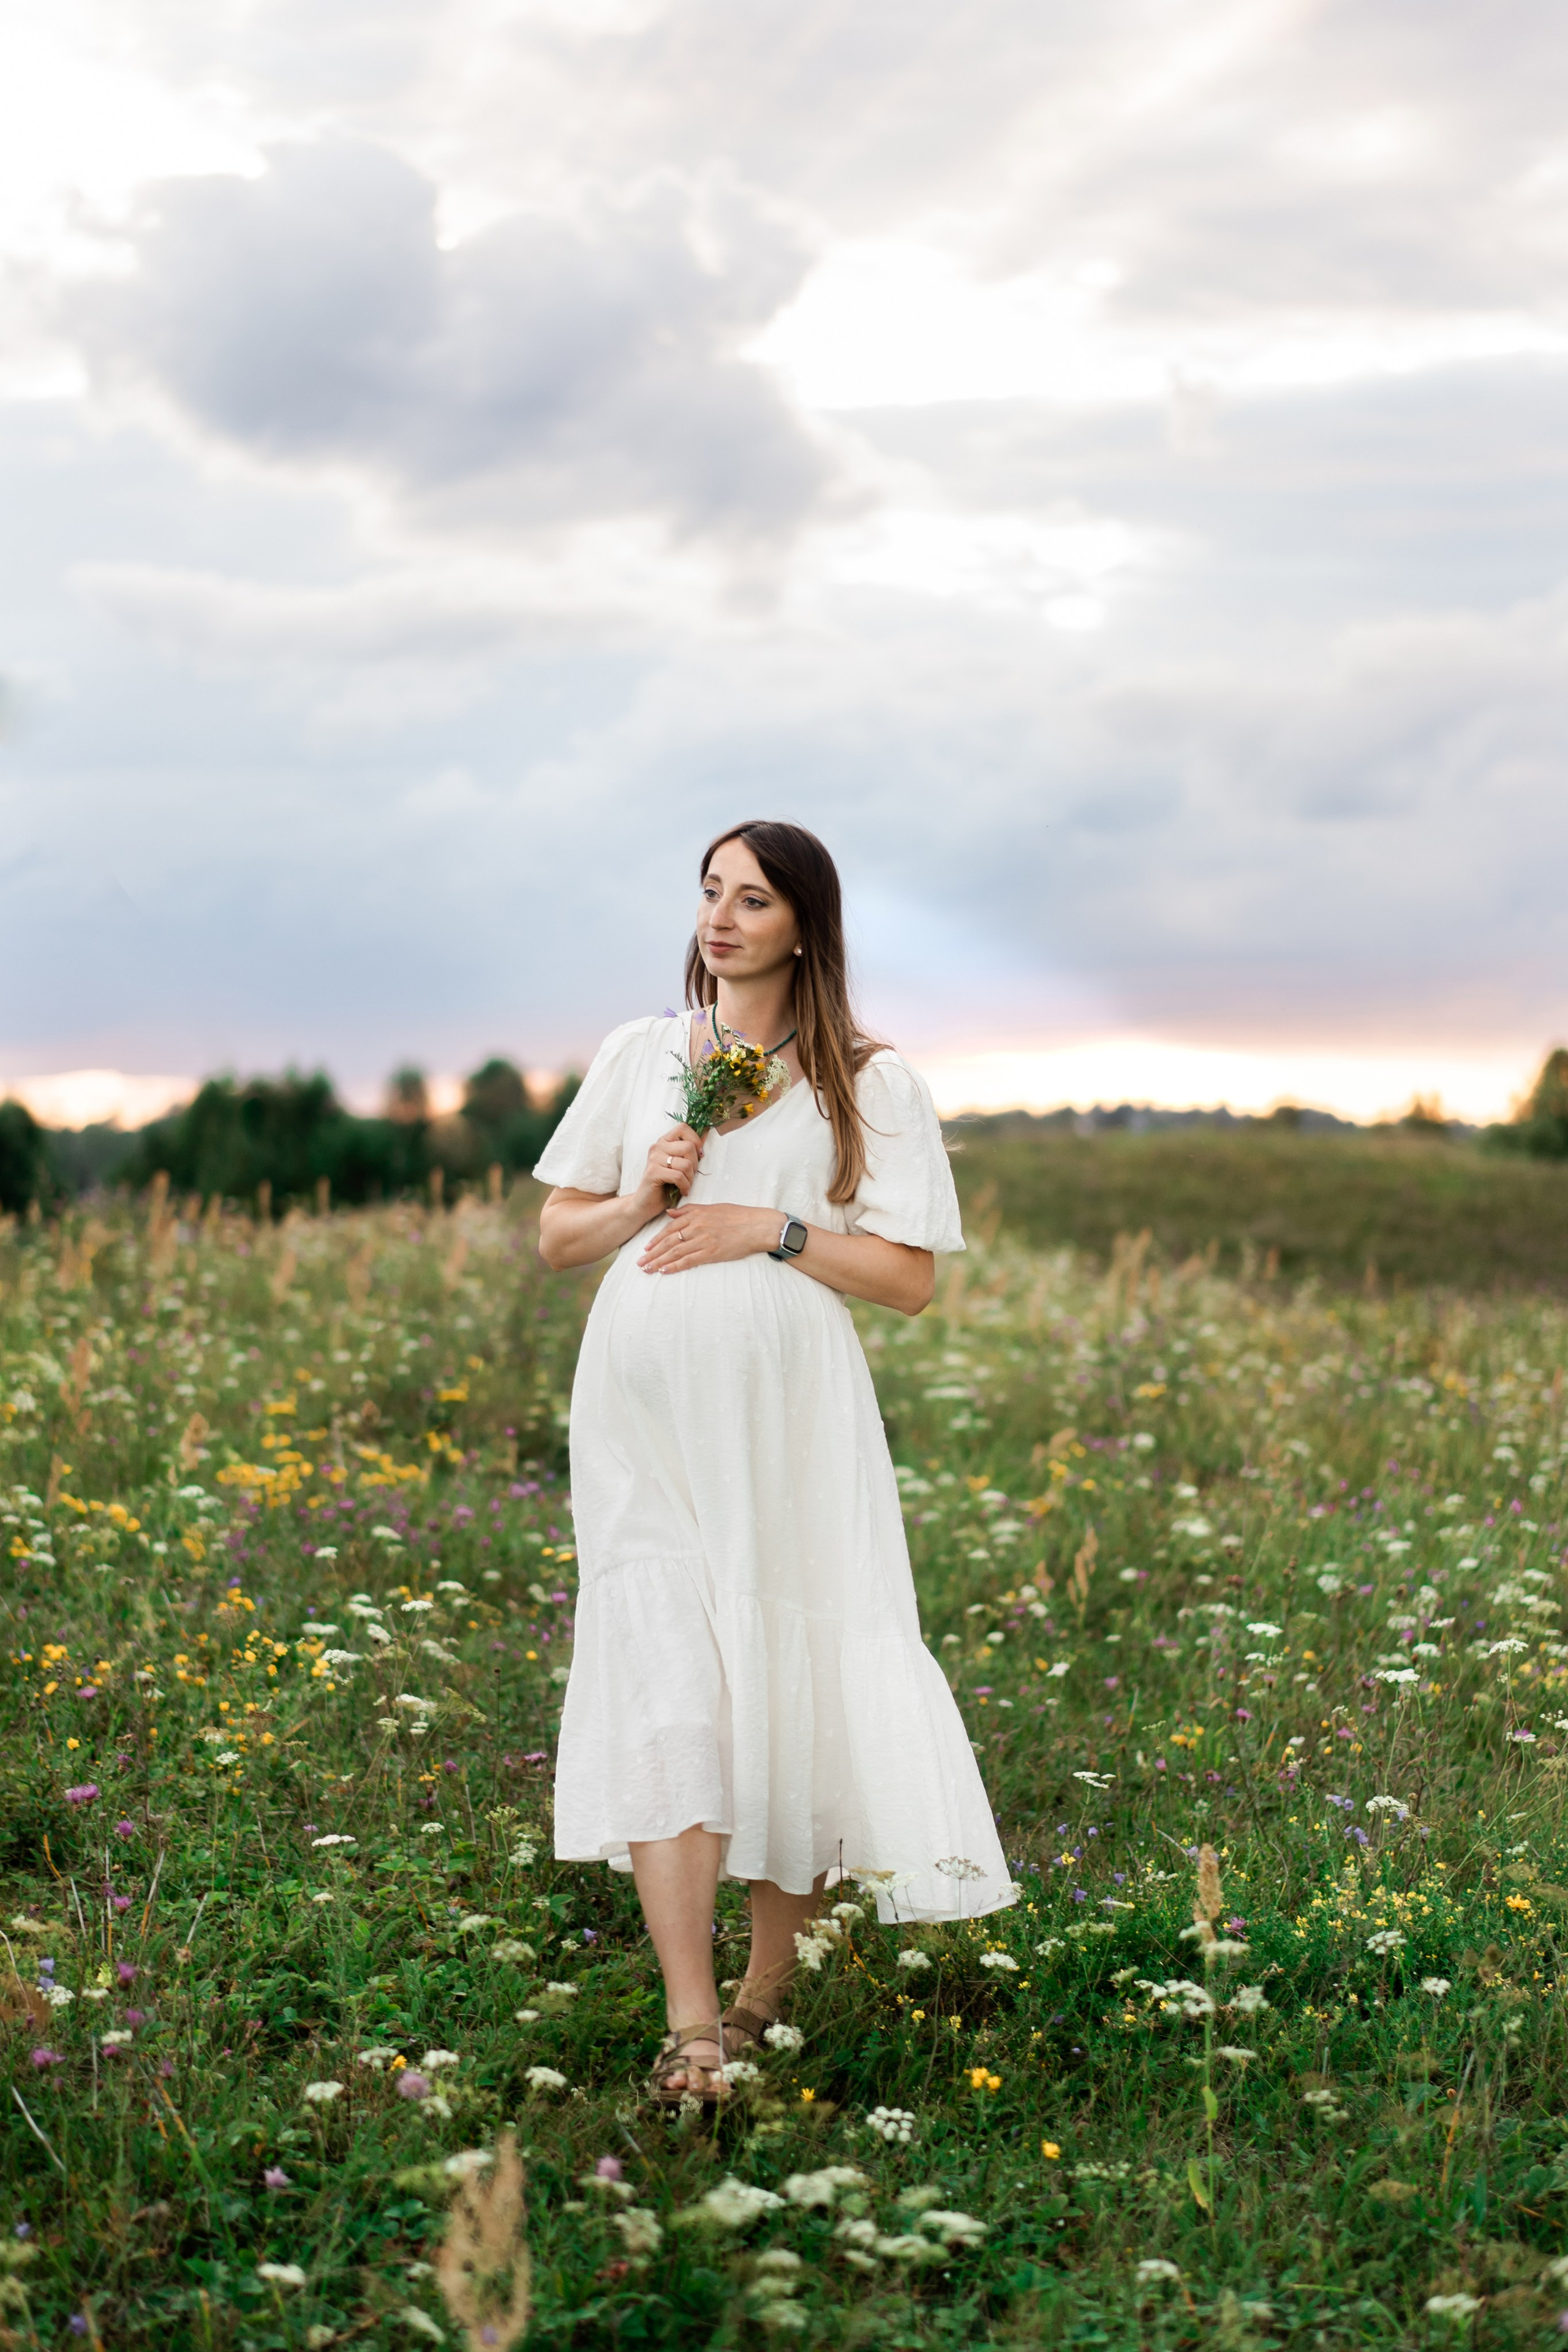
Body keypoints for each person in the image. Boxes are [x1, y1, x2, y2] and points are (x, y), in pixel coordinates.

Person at [535, 820, 1015, 2103]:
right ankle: (690, 2025)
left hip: (786, 1417)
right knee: (664, 1677)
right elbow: (555, 1238)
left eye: (751, 899)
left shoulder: (866, 1080)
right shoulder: (643, 1055)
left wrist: (771, 1226)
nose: (721, 917)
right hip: (637, 1419)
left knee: (776, 1668)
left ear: (804, 922)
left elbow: (907, 1281)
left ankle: (758, 1999)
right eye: (708, 892)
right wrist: (647, 1195)